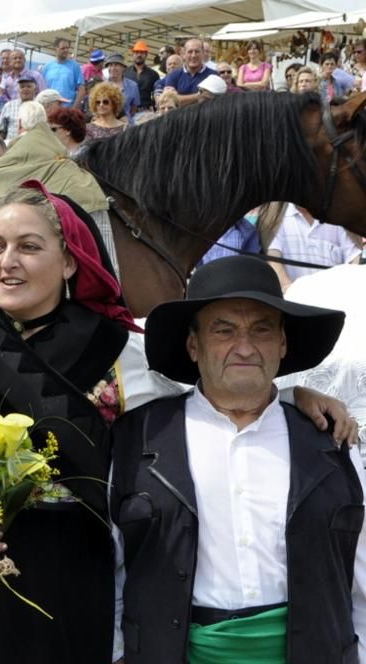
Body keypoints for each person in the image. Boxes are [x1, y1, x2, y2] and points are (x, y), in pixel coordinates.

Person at [0, 183, 357, 663]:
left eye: (29, 247)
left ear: (71, 260)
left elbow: (214, 397)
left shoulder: (118, 352)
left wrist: (289, 398)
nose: (7, 261)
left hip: (74, 585)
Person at [111, 255, 366, 664]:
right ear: (194, 345)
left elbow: (361, 577)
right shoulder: (138, 438)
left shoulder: (329, 440)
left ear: (282, 344)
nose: (244, 347)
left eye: (261, 329)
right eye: (223, 330)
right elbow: (115, 566)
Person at [267, 203, 360, 291]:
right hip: (292, 300)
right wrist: (288, 289)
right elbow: (273, 257)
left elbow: (353, 260)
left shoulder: (336, 217)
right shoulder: (278, 216)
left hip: (332, 298)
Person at [40, 38, 84, 108]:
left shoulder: (75, 66)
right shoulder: (47, 67)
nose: (66, 50)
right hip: (50, 110)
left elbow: (81, 89)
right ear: (56, 49)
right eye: (63, 48)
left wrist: (74, 108)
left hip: (67, 109)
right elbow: (42, 89)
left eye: (67, 48)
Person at [125, 41, 159, 111]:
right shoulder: (125, 73)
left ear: (146, 55)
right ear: (133, 54)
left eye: (142, 53)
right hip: (128, 112)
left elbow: (157, 93)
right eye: (136, 52)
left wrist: (154, 108)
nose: (139, 55)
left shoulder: (153, 74)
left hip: (146, 112)